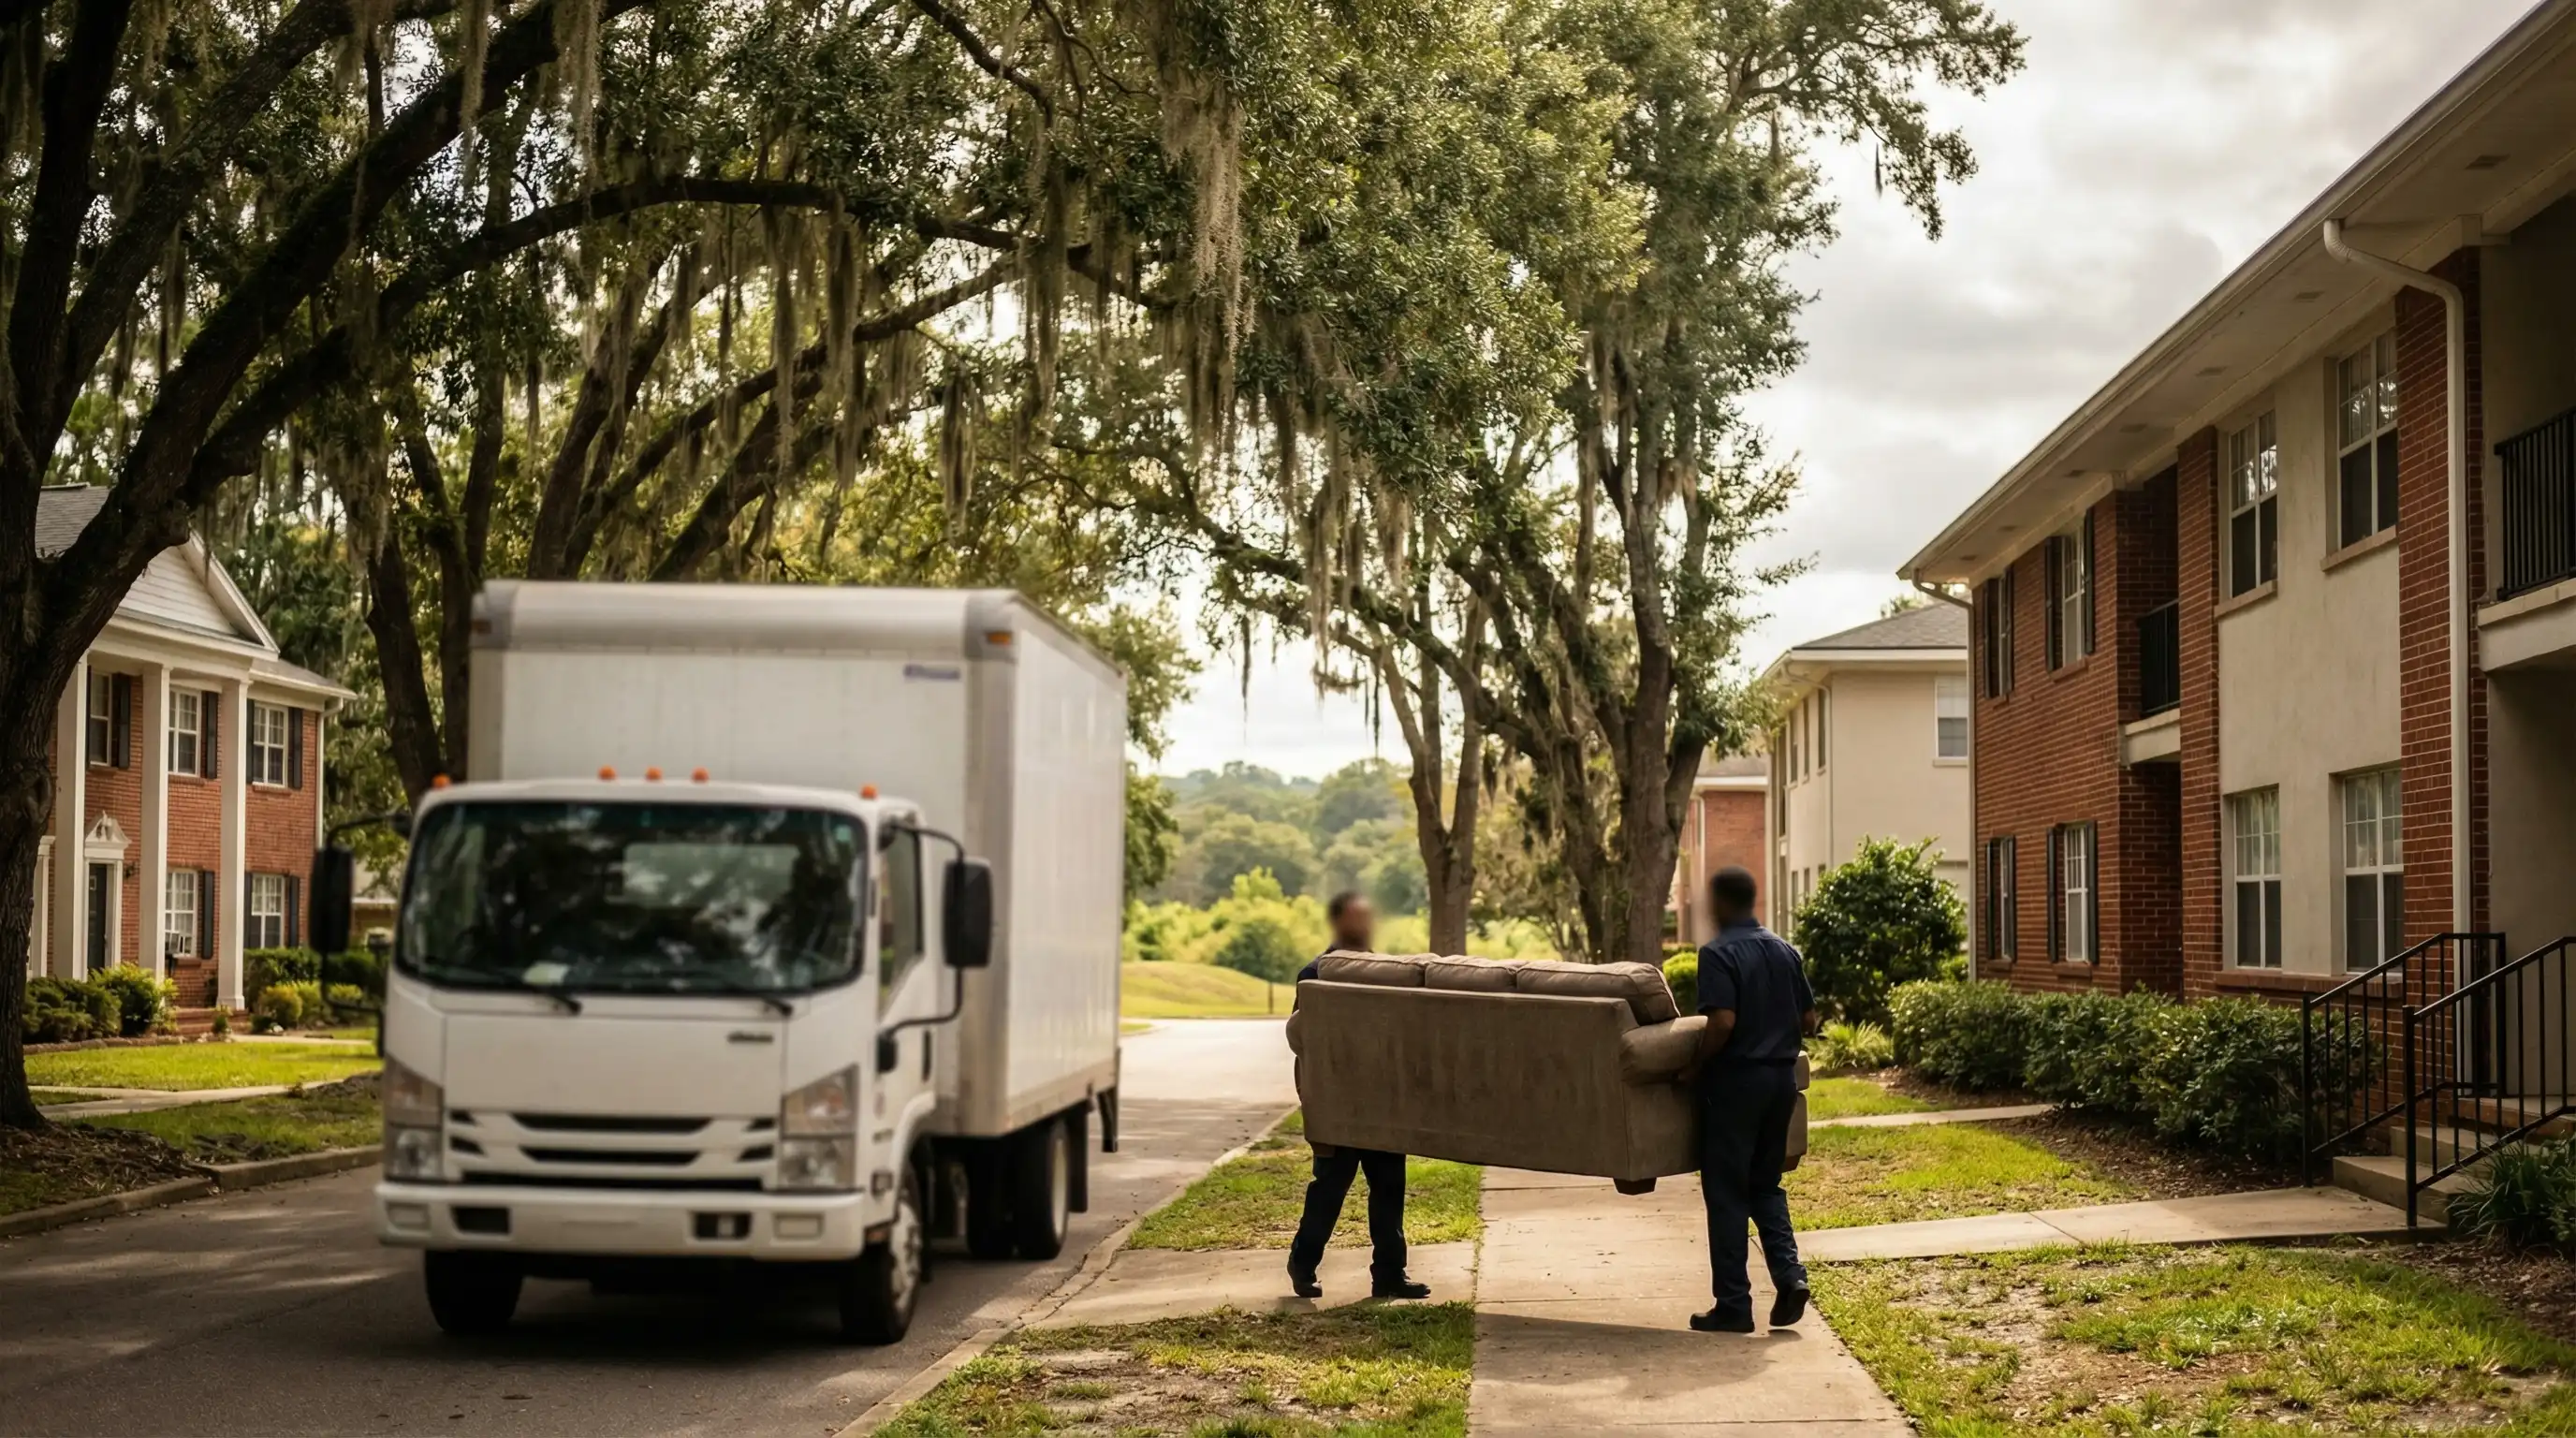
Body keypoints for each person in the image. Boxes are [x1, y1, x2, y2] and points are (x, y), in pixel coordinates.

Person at [1681, 865, 1816, 1334]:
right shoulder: (1784, 949)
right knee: (1765, 1184)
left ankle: (1735, 1305)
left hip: (1735, 1085)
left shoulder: (1717, 953)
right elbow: (1810, 1019)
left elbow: (1721, 1023)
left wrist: (1694, 1068)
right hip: (1781, 1083)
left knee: (1726, 1194)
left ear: (1720, 903)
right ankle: (1790, 1275)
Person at [1284, 891, 1432, 1301]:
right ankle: (1302, 1264)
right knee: (1330, 1188)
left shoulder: (1384, 972)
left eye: (1368, 919)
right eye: (1357, 919)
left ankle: (1389, 1274)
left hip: (1381, 1101)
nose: (1365, 926)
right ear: (1338, 923)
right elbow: (1303, 1038)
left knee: (1389, 1188)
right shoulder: (1315, 973)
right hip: (1336, 1104)